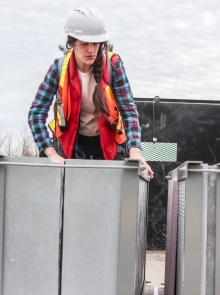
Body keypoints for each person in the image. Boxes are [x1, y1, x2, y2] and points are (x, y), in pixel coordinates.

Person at [28, 7, 154, 178]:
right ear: (72, 43)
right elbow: (36, 113)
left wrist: (135, 152)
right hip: (72, 146)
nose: (91, 50)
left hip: (108, 145)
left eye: (95, 43)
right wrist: (51, 153)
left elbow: (129, 111)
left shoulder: (114, 66)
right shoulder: (58, 69)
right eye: (84, 43)